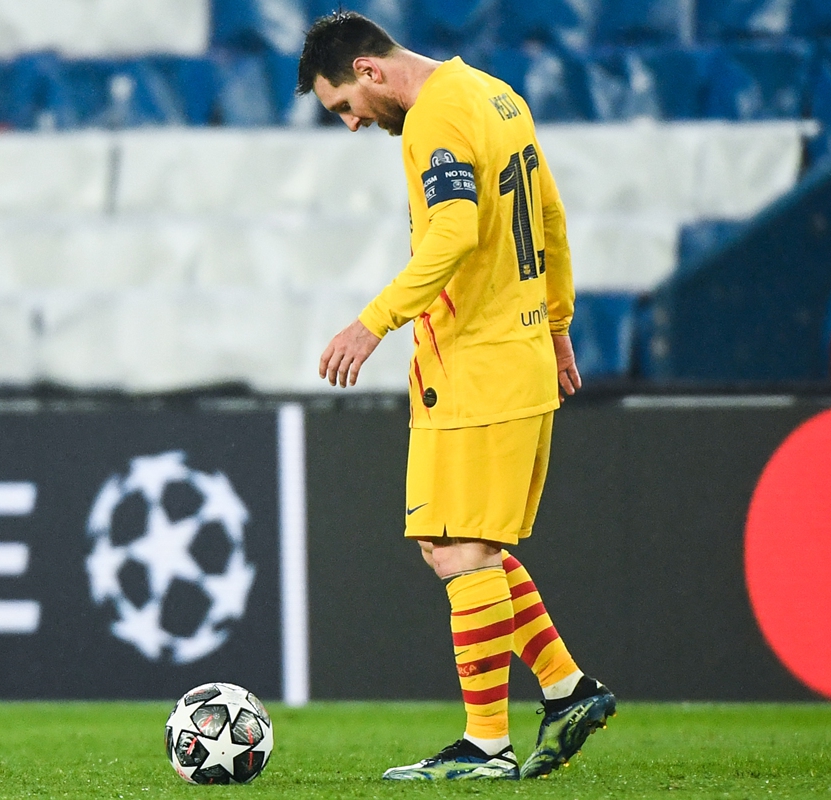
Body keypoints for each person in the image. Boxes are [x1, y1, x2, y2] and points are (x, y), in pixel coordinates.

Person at [296, 11, 616, 782]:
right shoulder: (495, 95)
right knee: (451, 542)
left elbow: (453, 233)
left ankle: (486, 745)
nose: (348, 125)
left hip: (479, 365)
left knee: (461, 548)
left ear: (369, 72)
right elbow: (550, 219)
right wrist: (561, 325)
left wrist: (371, 325)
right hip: (509, 356)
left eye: (342, 105)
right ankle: (568, 689)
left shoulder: (432, 119)